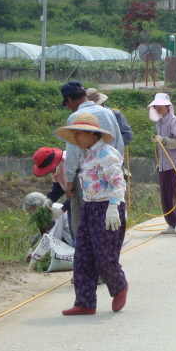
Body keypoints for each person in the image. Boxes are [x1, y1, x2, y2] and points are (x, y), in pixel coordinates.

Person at [54, 113, 128, 315]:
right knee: (83, 256)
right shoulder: (85, 154)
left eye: (78, 135)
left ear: (90, 133)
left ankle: (119, 286)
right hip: (89, 207)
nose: (76, 140)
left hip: (108, 208)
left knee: (104, 257)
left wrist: (114, 207)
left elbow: (119, 181)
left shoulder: (106, 154)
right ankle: (85, 302)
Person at [60, 81, 124, 244]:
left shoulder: (75, 118)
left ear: (69, 100)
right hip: (110, 170)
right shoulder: (108, 112)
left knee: (82, 217)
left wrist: (69, 180)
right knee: (107, 217)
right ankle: (106, 245)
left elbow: (73, 151)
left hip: (87, 175)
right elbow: (119, 142)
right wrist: (118, 166)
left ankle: (84, 249)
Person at [149, 93, 176, 237]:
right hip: (166, 163)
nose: (157, 107)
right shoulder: (159, 123)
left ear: (168, 106)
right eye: (155, 105)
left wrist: (163, 140)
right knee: (166, 195)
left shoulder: (175, 121)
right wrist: (160, 163)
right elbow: (162, 146)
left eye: (160, 104)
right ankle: (171, 223)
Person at [21, 192, 73, 262]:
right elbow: (45, 237)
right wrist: (36, 253)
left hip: (72, 241)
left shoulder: (55, 209)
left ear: (34, 208)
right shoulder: (43, 216)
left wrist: (38, 255)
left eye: (30, 212)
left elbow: (55, 236)